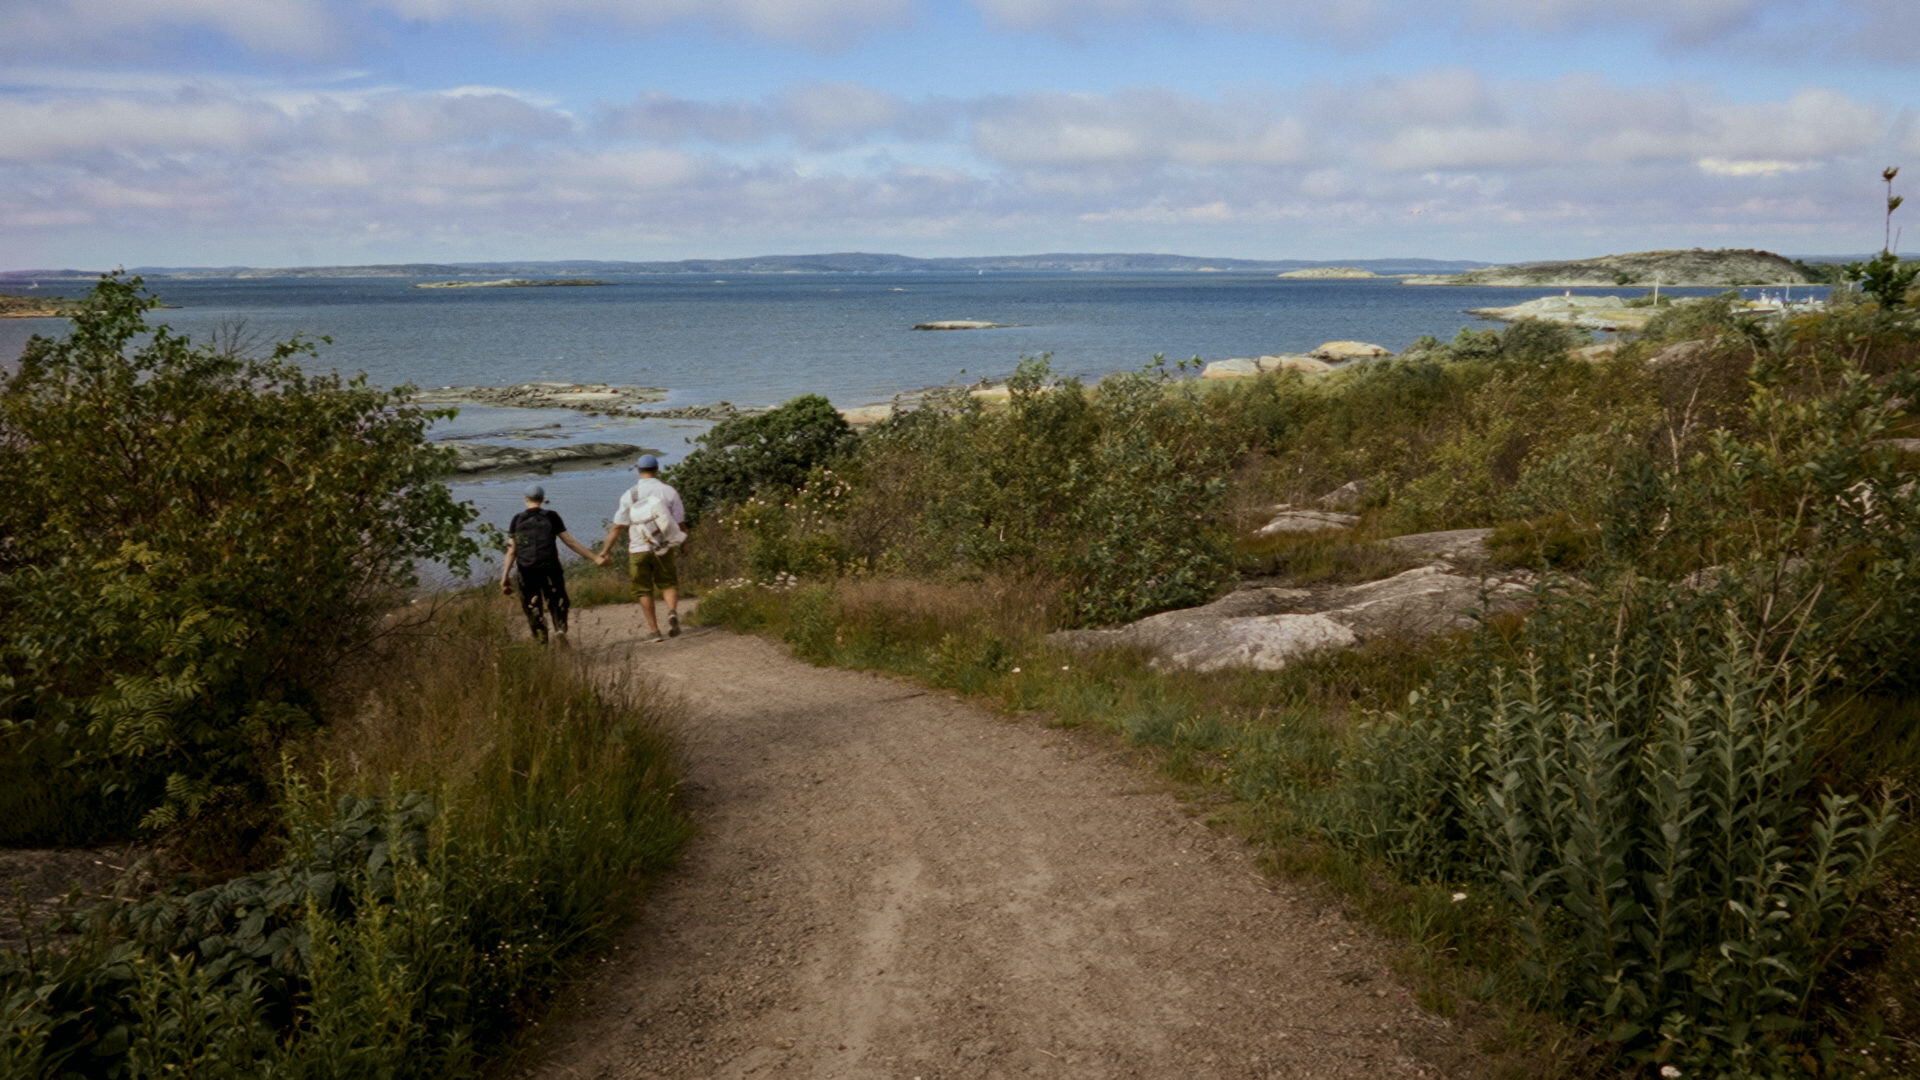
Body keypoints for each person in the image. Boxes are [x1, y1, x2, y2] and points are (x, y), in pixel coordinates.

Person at [596, 454, 687, 643]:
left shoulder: (629, 494)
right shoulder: (669, 491)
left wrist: (605, 551)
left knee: (643, 590)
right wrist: (684, 544)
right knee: (668, 583)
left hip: (638, 549)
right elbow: (680, 523)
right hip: (663, 546)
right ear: (657, 469)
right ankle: (671, 611)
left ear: (638, 470)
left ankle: (654, 631)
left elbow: (617, 527)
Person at [500, 484, 598, 643]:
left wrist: (505, 576)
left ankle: (541, 641)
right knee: (558, 599)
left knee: (532, 605)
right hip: (550, 567)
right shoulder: (552, 516)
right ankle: (560, 629)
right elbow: (570, 542)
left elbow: (511, 550)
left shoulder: (517, 519)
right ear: (543, 500)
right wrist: (594, 557)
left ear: (525, 500)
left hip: (526, 569)